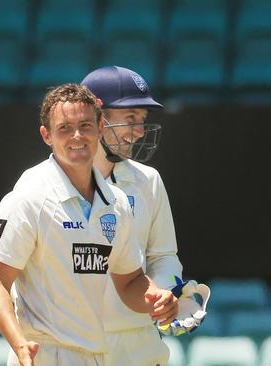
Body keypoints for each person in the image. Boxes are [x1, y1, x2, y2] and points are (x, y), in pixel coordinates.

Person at [0, 83, 178, 366]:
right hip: (44, 354)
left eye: (85, 125)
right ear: (46, 135)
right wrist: (19, 343)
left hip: (96, 355)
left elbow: (130, 282)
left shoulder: (117, 202)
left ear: (100, 128)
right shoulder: (29, 196)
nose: (77, 136)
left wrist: (159, 299)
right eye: (65, 128)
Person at [82, 65, 210, 365]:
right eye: (130, 118)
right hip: (72, 340)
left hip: (137, 340)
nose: (139, 131)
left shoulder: (147, 180)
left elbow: (163, 255)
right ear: (97, 118)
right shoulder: (44, 183)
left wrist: (167, 297)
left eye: (142, 120)